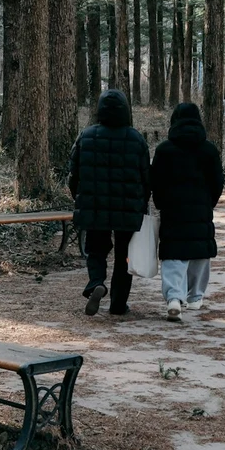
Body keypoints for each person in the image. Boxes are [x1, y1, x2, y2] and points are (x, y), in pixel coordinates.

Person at [68, 89, 150, 317]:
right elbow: (146, 177)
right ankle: (118, 304)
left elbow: (73, 174)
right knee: (125, 256)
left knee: (96, 249)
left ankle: (96, 283)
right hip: (128, 210)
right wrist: (142, 204)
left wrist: (80, 197)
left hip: (93, 207)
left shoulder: (86, 136)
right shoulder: (136, 138)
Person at [150, 102, 224, 322]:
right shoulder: (209, 150)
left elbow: (156, 181)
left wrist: (161, 202)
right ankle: (195, 297)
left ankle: (174, 298)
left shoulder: (164, 150)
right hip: (200, 210)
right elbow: (218, 182)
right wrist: (208, 203)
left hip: (173, 210)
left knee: (174, 254)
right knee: (200, 253)